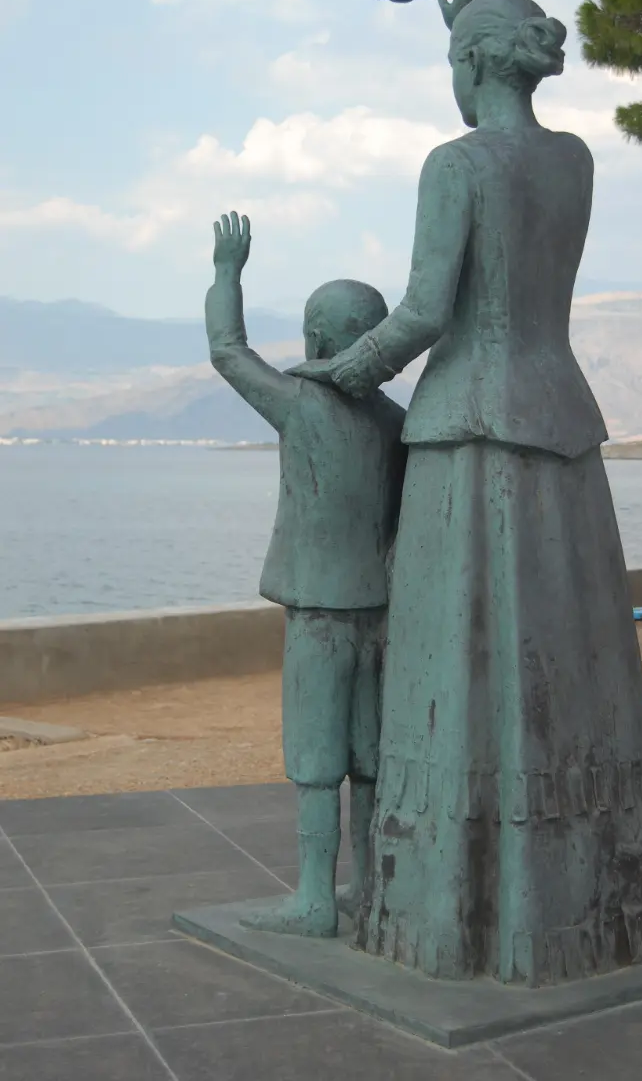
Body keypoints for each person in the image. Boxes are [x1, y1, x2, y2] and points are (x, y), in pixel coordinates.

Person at [293, 0, 642, 983]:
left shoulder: (453, 163)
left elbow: (426, 309)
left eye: (453, 64)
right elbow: (517, 251)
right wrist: (471, 21)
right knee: (559, 665)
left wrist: (348, 371)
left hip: (469, 436)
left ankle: (455, 908)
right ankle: (587, 905)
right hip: (559, 423)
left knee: (459, 672)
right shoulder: (573, 161)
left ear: (470, 68)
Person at [206, 212, 406, 937]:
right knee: (371, 756)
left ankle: (316, 899)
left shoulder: (301, 405)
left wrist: (228, 272)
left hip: (320, 612)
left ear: (318, 341)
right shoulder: (395, 423)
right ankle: (371, 887)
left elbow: (228, 350)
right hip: (379, 609)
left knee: (318, 759)